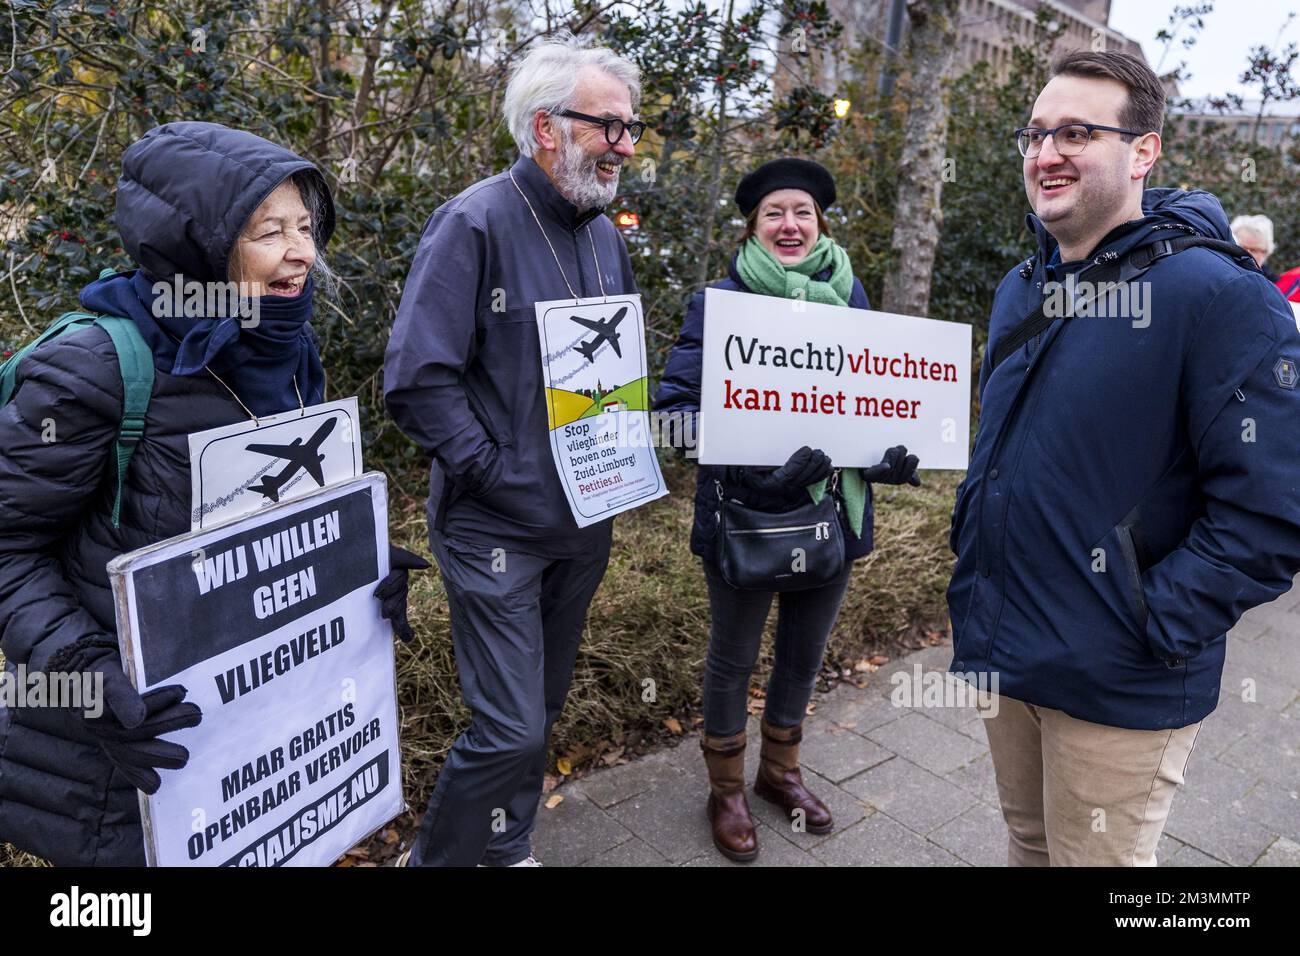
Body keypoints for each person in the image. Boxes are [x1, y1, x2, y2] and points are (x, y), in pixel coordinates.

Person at [0, 122, 423, 867]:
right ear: (195, 248)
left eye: (305, 226)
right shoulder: (90, 370)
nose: (303, 252)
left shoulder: (287, 350)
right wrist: (80, 674)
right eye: (270, 232)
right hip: (121, 769)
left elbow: (278, 509)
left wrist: (355, 561)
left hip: (257, 761)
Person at [947, 51, 1300, 866]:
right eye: (1034, 134)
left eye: (1076, 132)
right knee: (1028, 843)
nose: (1046, 153)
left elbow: (1273, 512)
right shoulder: (1020, 287)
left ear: (1143, 153)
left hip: (1120, 680)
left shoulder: (1220, 297)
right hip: (1006, 644)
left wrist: (1149, 621)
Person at [383, 34, 642, 867]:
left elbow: (614, 370)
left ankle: (506, 847)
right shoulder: (475, 220)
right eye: (611, 126)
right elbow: (417, 380)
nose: (626, 146)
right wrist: (498, 474)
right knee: (507, 726)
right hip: (495, 526)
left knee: (541, 706)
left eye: (632, 128)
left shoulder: (606, 234)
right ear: (546, 127)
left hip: (584, 523)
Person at [654, 158, 920, 862]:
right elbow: (673, 412)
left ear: (820, 223)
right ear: (754, 227)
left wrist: (886, 455)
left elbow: (873, 392)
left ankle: (779, 774)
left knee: (803, 659)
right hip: (746, 515)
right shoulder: (721, 299)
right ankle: (726, 790)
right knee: (731, 661)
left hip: (833, 512)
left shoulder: (851, 293)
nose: (790, 224)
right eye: (774, 213)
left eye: (802, 211)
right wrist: (746, 463)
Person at [1230, 213, 1278, 281]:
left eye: (1253, 250)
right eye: (1242, 248)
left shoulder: (1274, 286)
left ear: (1266, 252)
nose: (1247, 254)